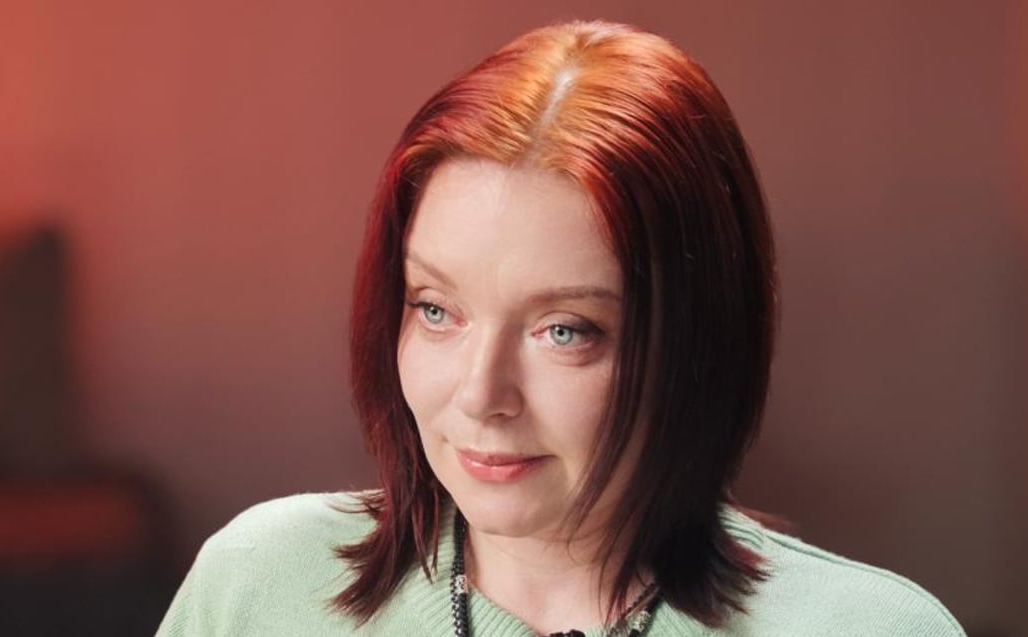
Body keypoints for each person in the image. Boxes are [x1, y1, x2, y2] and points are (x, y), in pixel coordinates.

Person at [156, 19, 966, 637]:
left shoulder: (873, 628)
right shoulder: (261, 585)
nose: (481, 395)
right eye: (437, 309)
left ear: (697, 343)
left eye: (565, 330)